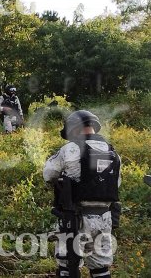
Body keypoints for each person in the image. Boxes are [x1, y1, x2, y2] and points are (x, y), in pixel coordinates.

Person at [43, 110, 120, 278]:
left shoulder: (70, 149)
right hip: (105, 219)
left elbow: (48, 174)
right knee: (101, 267)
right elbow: (116, 185)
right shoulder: (113, 153)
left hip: (75, 218)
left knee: (67, 264)